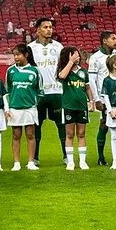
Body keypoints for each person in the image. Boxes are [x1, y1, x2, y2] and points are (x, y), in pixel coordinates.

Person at [89, 30, 116, 166]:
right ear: (104, 41)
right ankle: (101, 157)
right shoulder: (95, 58)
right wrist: (96, 98)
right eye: (113, 39)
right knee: (104, 126)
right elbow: (92, 79)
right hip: (105, 97)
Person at [28, 17, 66, 167]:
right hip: (38, 94)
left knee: (62, 125)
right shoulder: (30, 48)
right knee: (36, 126)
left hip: (57, 91)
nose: (49, 29)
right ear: (37, 30)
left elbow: (63, 68)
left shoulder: (58, 47)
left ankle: (66, 156)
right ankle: (35, 158)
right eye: (45, 27)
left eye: (50, 27)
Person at [5, 43, 43, 171]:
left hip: (29, 108)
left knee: (30, 134)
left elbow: (40, 90)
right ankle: (16, 162)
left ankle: (30, 162)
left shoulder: (34, 70)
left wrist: (33, 103)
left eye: (18, 54)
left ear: (26, 55)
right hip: (15, 107)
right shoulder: (11, 71)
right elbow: (7, 90)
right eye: (14, 55)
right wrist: (8, 107)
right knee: (16, 135)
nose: (15, 57)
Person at [58, 46, 95, 171]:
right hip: (68, 106)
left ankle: (83, 161)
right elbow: (62, 76)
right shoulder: (64, 70)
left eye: (77, 55)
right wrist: (70, 62)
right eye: (74, 55)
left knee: (81, 133)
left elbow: (87, 87)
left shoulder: (83, 72)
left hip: (81, 106)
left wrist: (91, 100)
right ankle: (70, 162)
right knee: (69, 134)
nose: (77, 57)